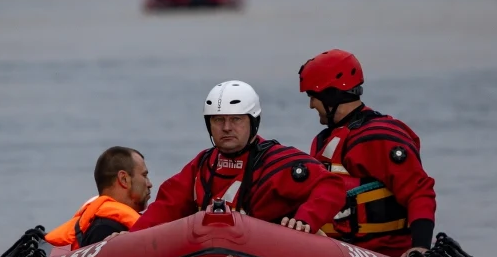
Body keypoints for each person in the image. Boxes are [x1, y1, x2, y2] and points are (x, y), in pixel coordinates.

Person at [130, 81, 345, 234]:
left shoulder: (277, 162)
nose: (226, 128)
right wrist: (132, 237)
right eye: (218, 120)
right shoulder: (203, 166)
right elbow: (166, 206)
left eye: (236, 120)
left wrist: (305, 219)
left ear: (253, 122)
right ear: (209, 125)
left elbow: (331, 186)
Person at [298, 49, 437, 257]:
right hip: (337, 252)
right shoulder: (323, 141)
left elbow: (419, 191)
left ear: (330, 95)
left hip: (383, 256)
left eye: (313, 96)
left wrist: (421, 246)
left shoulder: (378, 137)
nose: (310, 105)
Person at [45, 147, 152, 249]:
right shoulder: (105, 229)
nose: (149, 184)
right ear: (124, 179)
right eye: (144, 175)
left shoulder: (100, 223)